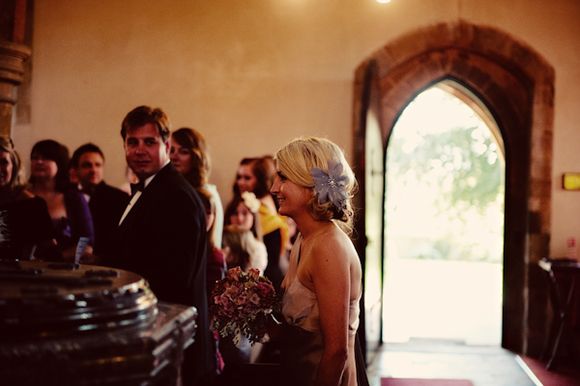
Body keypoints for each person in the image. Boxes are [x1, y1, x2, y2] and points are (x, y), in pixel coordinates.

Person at [108, 105, 213, 385]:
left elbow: (174, 280)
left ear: (166, 145)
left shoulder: (175, 196)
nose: (140, 150)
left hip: (169, 347)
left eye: (149, 142)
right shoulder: (152, 188)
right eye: (133, 142)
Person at [271, 136, 368, 386]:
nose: (273, 188)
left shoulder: (329, 246)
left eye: (283, 178)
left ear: (310, 184)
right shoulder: (305, 239)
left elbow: (336, 352)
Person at [28, 139, 94, 260]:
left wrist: (59, 257)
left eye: (46, 158)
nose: (39, 162)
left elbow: (87, 242)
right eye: (35, 157)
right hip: (21, 270)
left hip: (63, 270)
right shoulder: (21, 194)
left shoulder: (74, 197)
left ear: (59, 163)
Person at [234, 156, 289, 291]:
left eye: (247, 178)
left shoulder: (263, 207)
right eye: (239, 177)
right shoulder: (247, 203)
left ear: (260, 180)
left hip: (265, 280)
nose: (240, 182)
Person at [70, 143, 129, 260]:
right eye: (87, 165)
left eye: (98, 165)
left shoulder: (120, 198)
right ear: (76, 170)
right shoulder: (68, 197)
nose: (93, 170)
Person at [0, 137, 55, 259]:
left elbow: (51, 254)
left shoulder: (32, 206)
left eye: (3, 162)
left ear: (13, 165)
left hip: (18, 276)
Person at [170, 127, 224, 247]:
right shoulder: (171, 188)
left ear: (196, 157)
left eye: (183, 152)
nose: (174, 157)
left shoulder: (204, 194)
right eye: (171, 150)